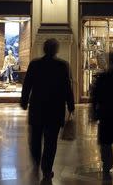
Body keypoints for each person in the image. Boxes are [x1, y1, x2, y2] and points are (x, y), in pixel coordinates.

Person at [20, 38, 75, 181]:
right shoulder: (62, 65)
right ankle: (46, 168)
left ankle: (37, 161)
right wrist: (71, 105)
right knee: (51, 142)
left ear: (44, 49)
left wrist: (24, 101)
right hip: (54, 110)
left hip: (37, 108)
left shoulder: (35, 64)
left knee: (36, 139)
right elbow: (67, 88)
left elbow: (27, 85)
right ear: (56, 50)